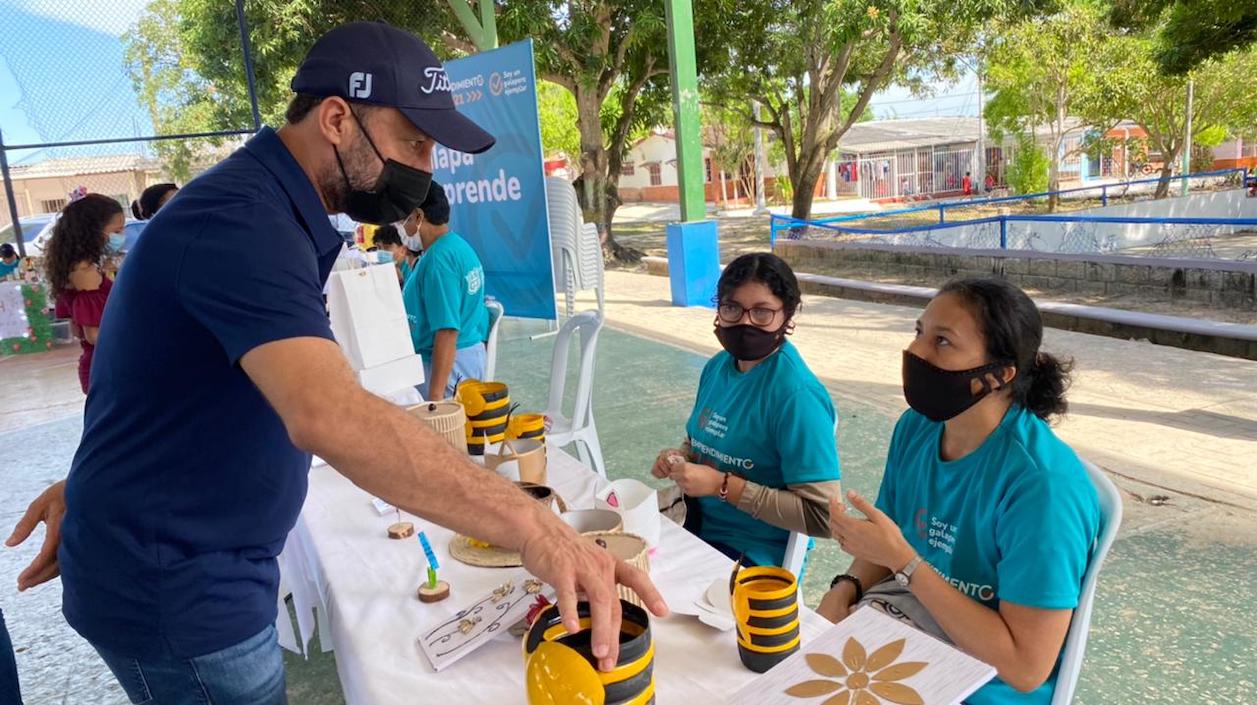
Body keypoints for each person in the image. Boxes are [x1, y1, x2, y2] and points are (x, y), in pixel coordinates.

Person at [5, 22, 664, 705]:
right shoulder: (243, 221)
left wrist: (92, 485)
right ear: (337, 118)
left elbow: (162, 384)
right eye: (414, 141)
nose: (427, 166)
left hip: (193, 559)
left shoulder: (269, 208)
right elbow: (329, 414)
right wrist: (537, 529)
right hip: (182, 588)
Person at [819, 276, 1100, 705]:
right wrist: (845, 589)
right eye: (919, 332)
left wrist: (905, 561)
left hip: (979, 686)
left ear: (998, 375)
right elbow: (888, 537)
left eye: (942, 341)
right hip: (893, 637)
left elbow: (1025, 668)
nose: (916, 352)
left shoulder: (1043, 487)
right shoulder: (916, 428)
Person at [651, 253, 841, 568]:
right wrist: (681, 458)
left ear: (787, 316)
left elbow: (824, 517)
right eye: (732, 308)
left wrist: (722, 486)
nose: (744, 322)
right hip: (692, 524)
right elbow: (701, 442)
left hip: (753, 553)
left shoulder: (797, 396)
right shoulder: (717, 368)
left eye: (762, 312)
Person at [401, 182, 489, 400]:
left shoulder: (438, 262)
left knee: (443, 428)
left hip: (447, 368)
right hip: (462, 360)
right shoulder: (456, 246)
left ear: (419, 216)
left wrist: (436, 399)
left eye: (405, 219)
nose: (402, 227)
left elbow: (447, 331)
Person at [44, 194, 125, 394]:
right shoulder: (84, 272)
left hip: (103, 364)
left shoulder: (85, 266)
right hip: (105, 367)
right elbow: (93, 335)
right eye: (117, 231)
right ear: (94, 231)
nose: (122, 236)